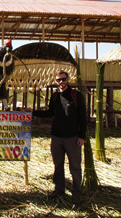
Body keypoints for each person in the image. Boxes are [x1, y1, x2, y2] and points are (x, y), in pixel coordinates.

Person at [33, 70, 87, 205]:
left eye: (63, 79)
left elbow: (83, 117)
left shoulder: (76, 95)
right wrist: (33, 112)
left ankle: (76, 194)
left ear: (68, 79)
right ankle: (59, 190)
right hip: (56, 137)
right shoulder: (55, 96)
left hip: (72, 138)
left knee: (75, 166)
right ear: (56, 81)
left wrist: (82, 136)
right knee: (58, 165)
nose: (61, 82)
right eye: (58, 80)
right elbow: (50, 112)